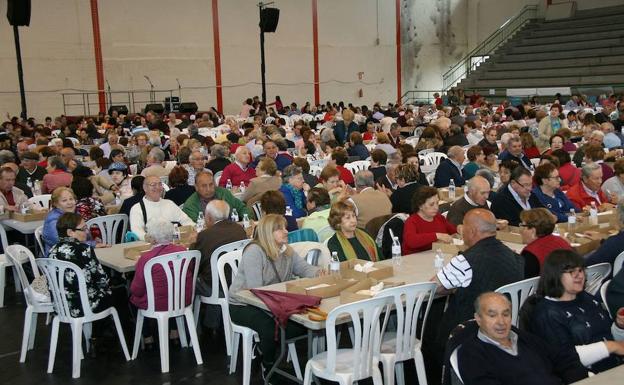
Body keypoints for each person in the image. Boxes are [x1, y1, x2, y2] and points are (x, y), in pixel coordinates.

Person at [431, 209, 524, 378]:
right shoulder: (513, 255)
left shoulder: (465, 261)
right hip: (509, 324)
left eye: (463, 228)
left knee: (432, 329)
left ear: (472, 231)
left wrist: (455, 286)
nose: (461, 232)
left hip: (471, 329)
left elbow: (434, 287)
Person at [228, 214, 320, 375]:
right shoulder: (254, 252)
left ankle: (266, 351)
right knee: (270, 328)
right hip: (244, 304)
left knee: (302, 323)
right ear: (267, 233)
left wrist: (320, 272)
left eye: (285, 227)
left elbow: (304, 269)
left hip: (274, 301)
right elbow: (254, 289)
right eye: (279, 229)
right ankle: (269, 366)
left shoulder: (286, 251)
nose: (285, 231)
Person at [458, 292, 588, 385]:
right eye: (492, 315)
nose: (501, 322)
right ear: (478, 319)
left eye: (506, 314)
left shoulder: (522, 337)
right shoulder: (471, 354)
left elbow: (563, 358)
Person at [528, 250, 624, 373]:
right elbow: (565, 359)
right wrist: (610, 347)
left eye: (581, 270)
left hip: (614, 367)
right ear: (555, 275)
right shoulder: (547, 314)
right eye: (571, 272)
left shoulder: (587, 298)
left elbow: (607, 336)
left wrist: (619, 327)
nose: (579, 275)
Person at [129, 219, 191, 348]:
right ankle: (174, 332)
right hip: (182, 299)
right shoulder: (184, 252)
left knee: (132, 298)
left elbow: (137, 290)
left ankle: (147, 337)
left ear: (152, 238)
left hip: (157, 304)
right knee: (172, 288)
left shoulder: (146, 258)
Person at [48, 212, 112, 318]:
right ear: (70, 232)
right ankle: (108, 331)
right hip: (86, 306)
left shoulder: (53, 250)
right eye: (83, 229)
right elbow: (102, 281)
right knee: (120, 292)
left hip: (61, 306)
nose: (87, 232)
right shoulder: (84, 250)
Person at [193, 200, 248, 301]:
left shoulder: (205, 235)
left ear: (209, 217)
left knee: (185, 280)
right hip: (238, 280)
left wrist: (193, 243)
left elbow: (196, 265)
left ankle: (195, 315)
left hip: (214, 285)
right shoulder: (239, 229)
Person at [129, 176, 195, 241]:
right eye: (153, 185)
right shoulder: (137, 208)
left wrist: (195, 228)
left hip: (173, 245)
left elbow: (185, 220)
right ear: (145, 188)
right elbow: (136, 230)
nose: (157, 187)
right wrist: (146, 237)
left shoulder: (169, 203)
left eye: (160, 184)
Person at [402, 186, 458, 254]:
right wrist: (437, 235)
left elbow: (453, 231)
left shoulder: (439, 218)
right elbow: (411, 241)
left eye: (437, 203)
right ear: (420, 206)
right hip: (415, 260)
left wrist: (460, 228)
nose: (436, 207)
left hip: (436, 256)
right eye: (431, 204)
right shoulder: (411, 221)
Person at [519, 208, 572, 277]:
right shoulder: (561, 241)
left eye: (522, 226)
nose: (520, 231)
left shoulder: (530, 254)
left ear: (533, 231)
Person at [182, 171, 249, 222]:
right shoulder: (190, 205)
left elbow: (242, 208)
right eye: (204, 186)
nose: (208, 189)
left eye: (211, 185)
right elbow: (197, 227)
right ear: (196, 187)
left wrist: (247, 220)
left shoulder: (224, 193)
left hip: (231, 230)